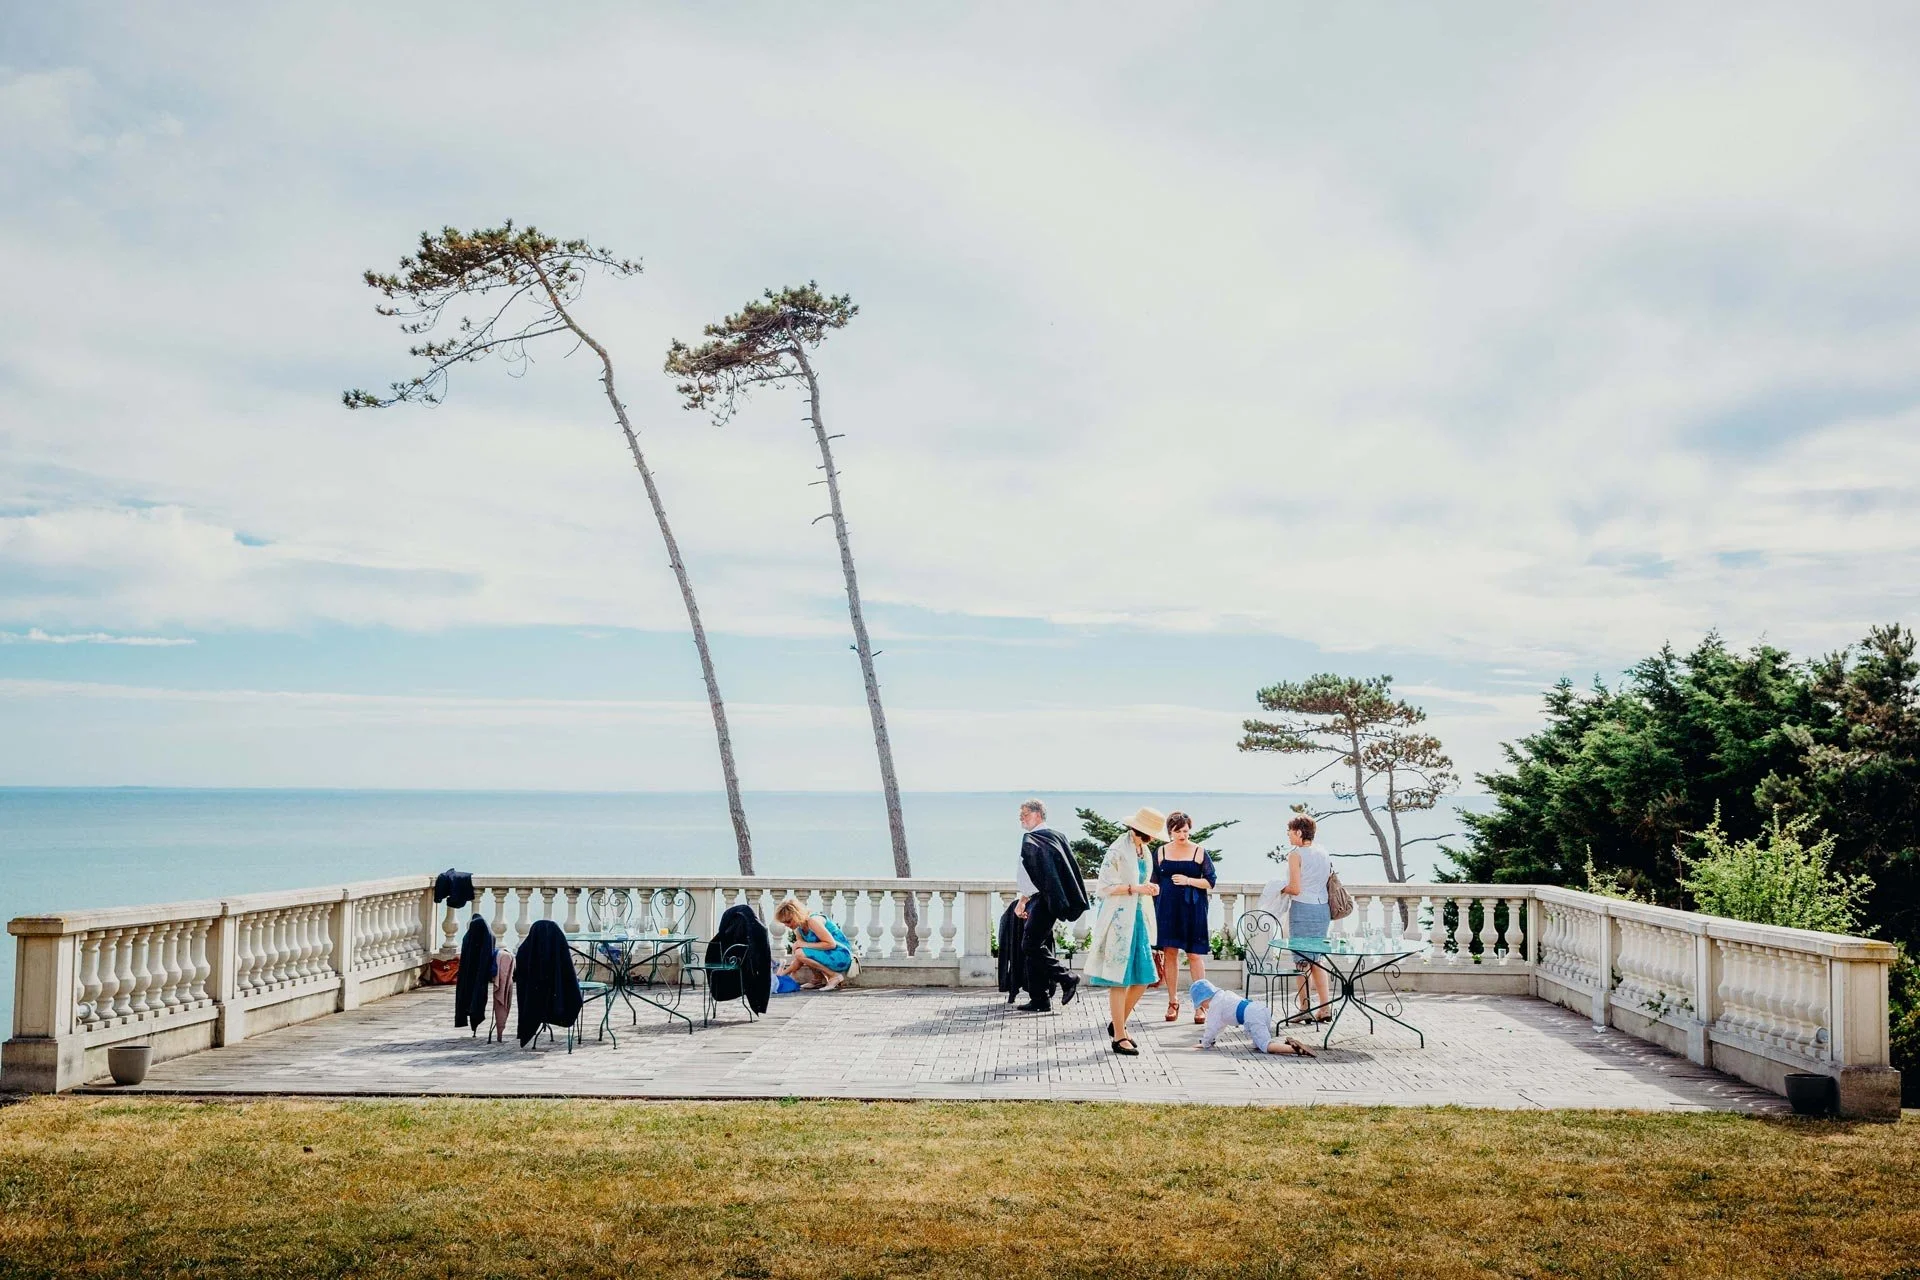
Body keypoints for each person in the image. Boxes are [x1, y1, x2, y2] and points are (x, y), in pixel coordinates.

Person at [1084, 806, 1165, 1055]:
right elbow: (1105, 887)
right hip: (1119, 918)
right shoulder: (1118, 849)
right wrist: (1136, 888)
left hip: (1138, 916)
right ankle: (1119, 1034)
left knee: (1144, 977)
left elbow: (1139, 883)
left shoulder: (1144, 850)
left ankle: (1117, 1023)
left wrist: (1148, 888)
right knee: (1119, 977)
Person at [1013, 798, 1090, 1012]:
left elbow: (1032, 875)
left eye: (1025, 814)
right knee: (1035, 946)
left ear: (1038, 814)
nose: (1021, 819)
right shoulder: (1057, 836)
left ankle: (1067, 978)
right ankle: (1040, 998)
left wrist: (1025, 898)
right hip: (1049, 899)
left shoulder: (1033, 839)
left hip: (1042, 900)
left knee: (1030, 945)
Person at [1152, 811, 1216, 1024]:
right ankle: (1173, 1001)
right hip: (1167, 910)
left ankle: (1201, 1005)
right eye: (1178, 831)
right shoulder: (1160, 851)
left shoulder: (1199, 851)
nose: (1182, 835)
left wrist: (1189, 880)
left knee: (1194, 955)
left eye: (1186, 831)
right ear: (1170, 831)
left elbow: (1210, 881)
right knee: (1170, 953)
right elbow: (1153, 880)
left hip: (1193, 909)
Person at [1281, 814, 1334, 1020]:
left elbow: (1295, 888)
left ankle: (1305, 1009)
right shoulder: (1322, 852)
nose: (1288, 835)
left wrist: (1279, 888)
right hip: (1322, 910)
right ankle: (1325, 1007)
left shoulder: (1296, 854)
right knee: (1317, 960)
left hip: (1303, 908)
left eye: (1290, 831)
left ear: (1299, 832)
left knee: (1302, 962)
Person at [1188, 979, 1315, 1057]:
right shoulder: (1224, 995)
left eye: (1201, 1004)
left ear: (1204, 999)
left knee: (1265, 1046)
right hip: (1260, 1008)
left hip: (1252, 1016)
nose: (1204, 1008)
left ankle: (1293, 1049)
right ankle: (1284, 1045)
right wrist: (1212, 1040)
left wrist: (1205, 1043)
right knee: (1258, 1043)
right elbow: (1220, 1026)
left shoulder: (1214, 1006)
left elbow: (1212, 1027)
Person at [772, 899, 854, 990]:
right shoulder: (799, 929)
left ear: (797, 915)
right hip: (830, 955)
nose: (787, 925)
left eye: (789, 921)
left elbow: (831, 944)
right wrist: (782, 975)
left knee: (800, 951)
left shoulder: (813, 920)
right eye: (784, 923)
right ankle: (818, 979)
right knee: (800, 952)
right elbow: (800, 958)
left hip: (842, 955)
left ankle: (834, 976)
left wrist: (803, 944)